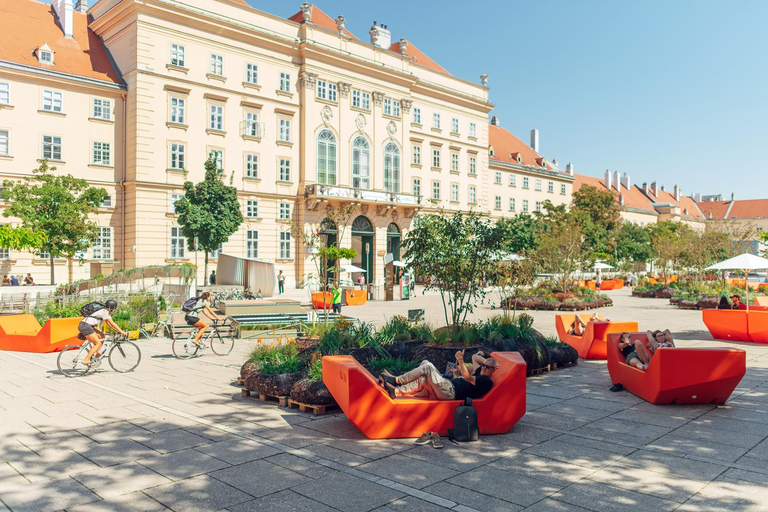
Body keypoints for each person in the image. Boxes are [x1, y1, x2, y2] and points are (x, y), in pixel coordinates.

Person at [379, 349, 497, 401]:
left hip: (449, 392)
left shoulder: (486, 381)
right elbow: (475, 357)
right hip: (447, 387)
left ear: (494, 370)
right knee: (424, 371)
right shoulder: (479, 372)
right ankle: (396, 392)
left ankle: (397, 380)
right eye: (483, 365)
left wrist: (460, 359)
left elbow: (466, 377)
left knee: (428, 367)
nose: (484, 368)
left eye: (487, 367)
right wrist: (456, 374)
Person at [79, 299, 127, 368]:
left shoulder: (104, 311)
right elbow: (112, 323)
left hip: (87, 325)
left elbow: (109, 323)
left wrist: (118, 330)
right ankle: (86, 360)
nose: (114, 310)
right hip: (86, 326)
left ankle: (96, 357)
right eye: (115, 308)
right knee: (97, 343)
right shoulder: (105, 311)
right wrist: (121, 331)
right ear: (112, 308)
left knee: (102, 336)